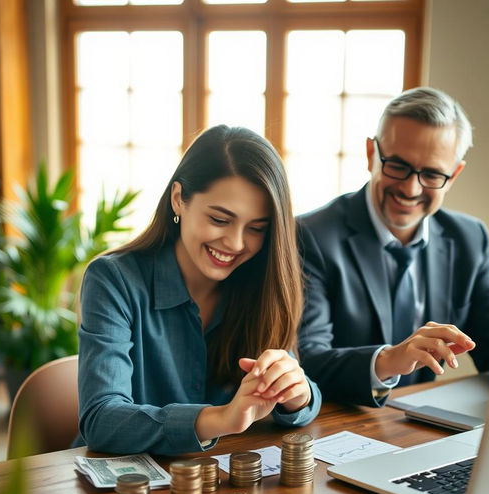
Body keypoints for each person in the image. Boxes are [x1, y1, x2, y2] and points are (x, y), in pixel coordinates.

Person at [76, 125, 321, 455]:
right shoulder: (113, 279)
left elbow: (302, 401)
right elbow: (101, 420)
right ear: (179, 199)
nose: (235, 243)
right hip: (121, 489)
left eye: (256, 228)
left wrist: (297, 393)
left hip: (220, 488)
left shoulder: (262, 281)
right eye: (220, 220)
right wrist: (221, 418)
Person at [297, 87, 489, 407]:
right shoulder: (309, 235)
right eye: (397, 166)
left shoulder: (469, 238)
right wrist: (387, 360)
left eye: (431, 174)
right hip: (336, 424)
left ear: (453, 175)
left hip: (420, 424)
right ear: (372, 154)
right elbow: (306, 362)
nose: (410, 189)